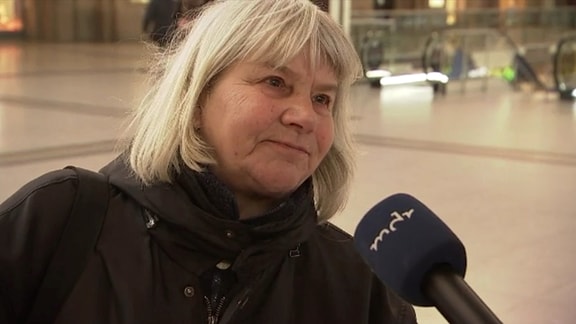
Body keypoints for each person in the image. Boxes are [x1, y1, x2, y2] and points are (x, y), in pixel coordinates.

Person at [0, 1, 417, 323]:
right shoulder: (59, 221)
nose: (304, 116)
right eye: (275, 82)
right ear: (196, 98)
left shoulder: (358, 282)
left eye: (322, 98)